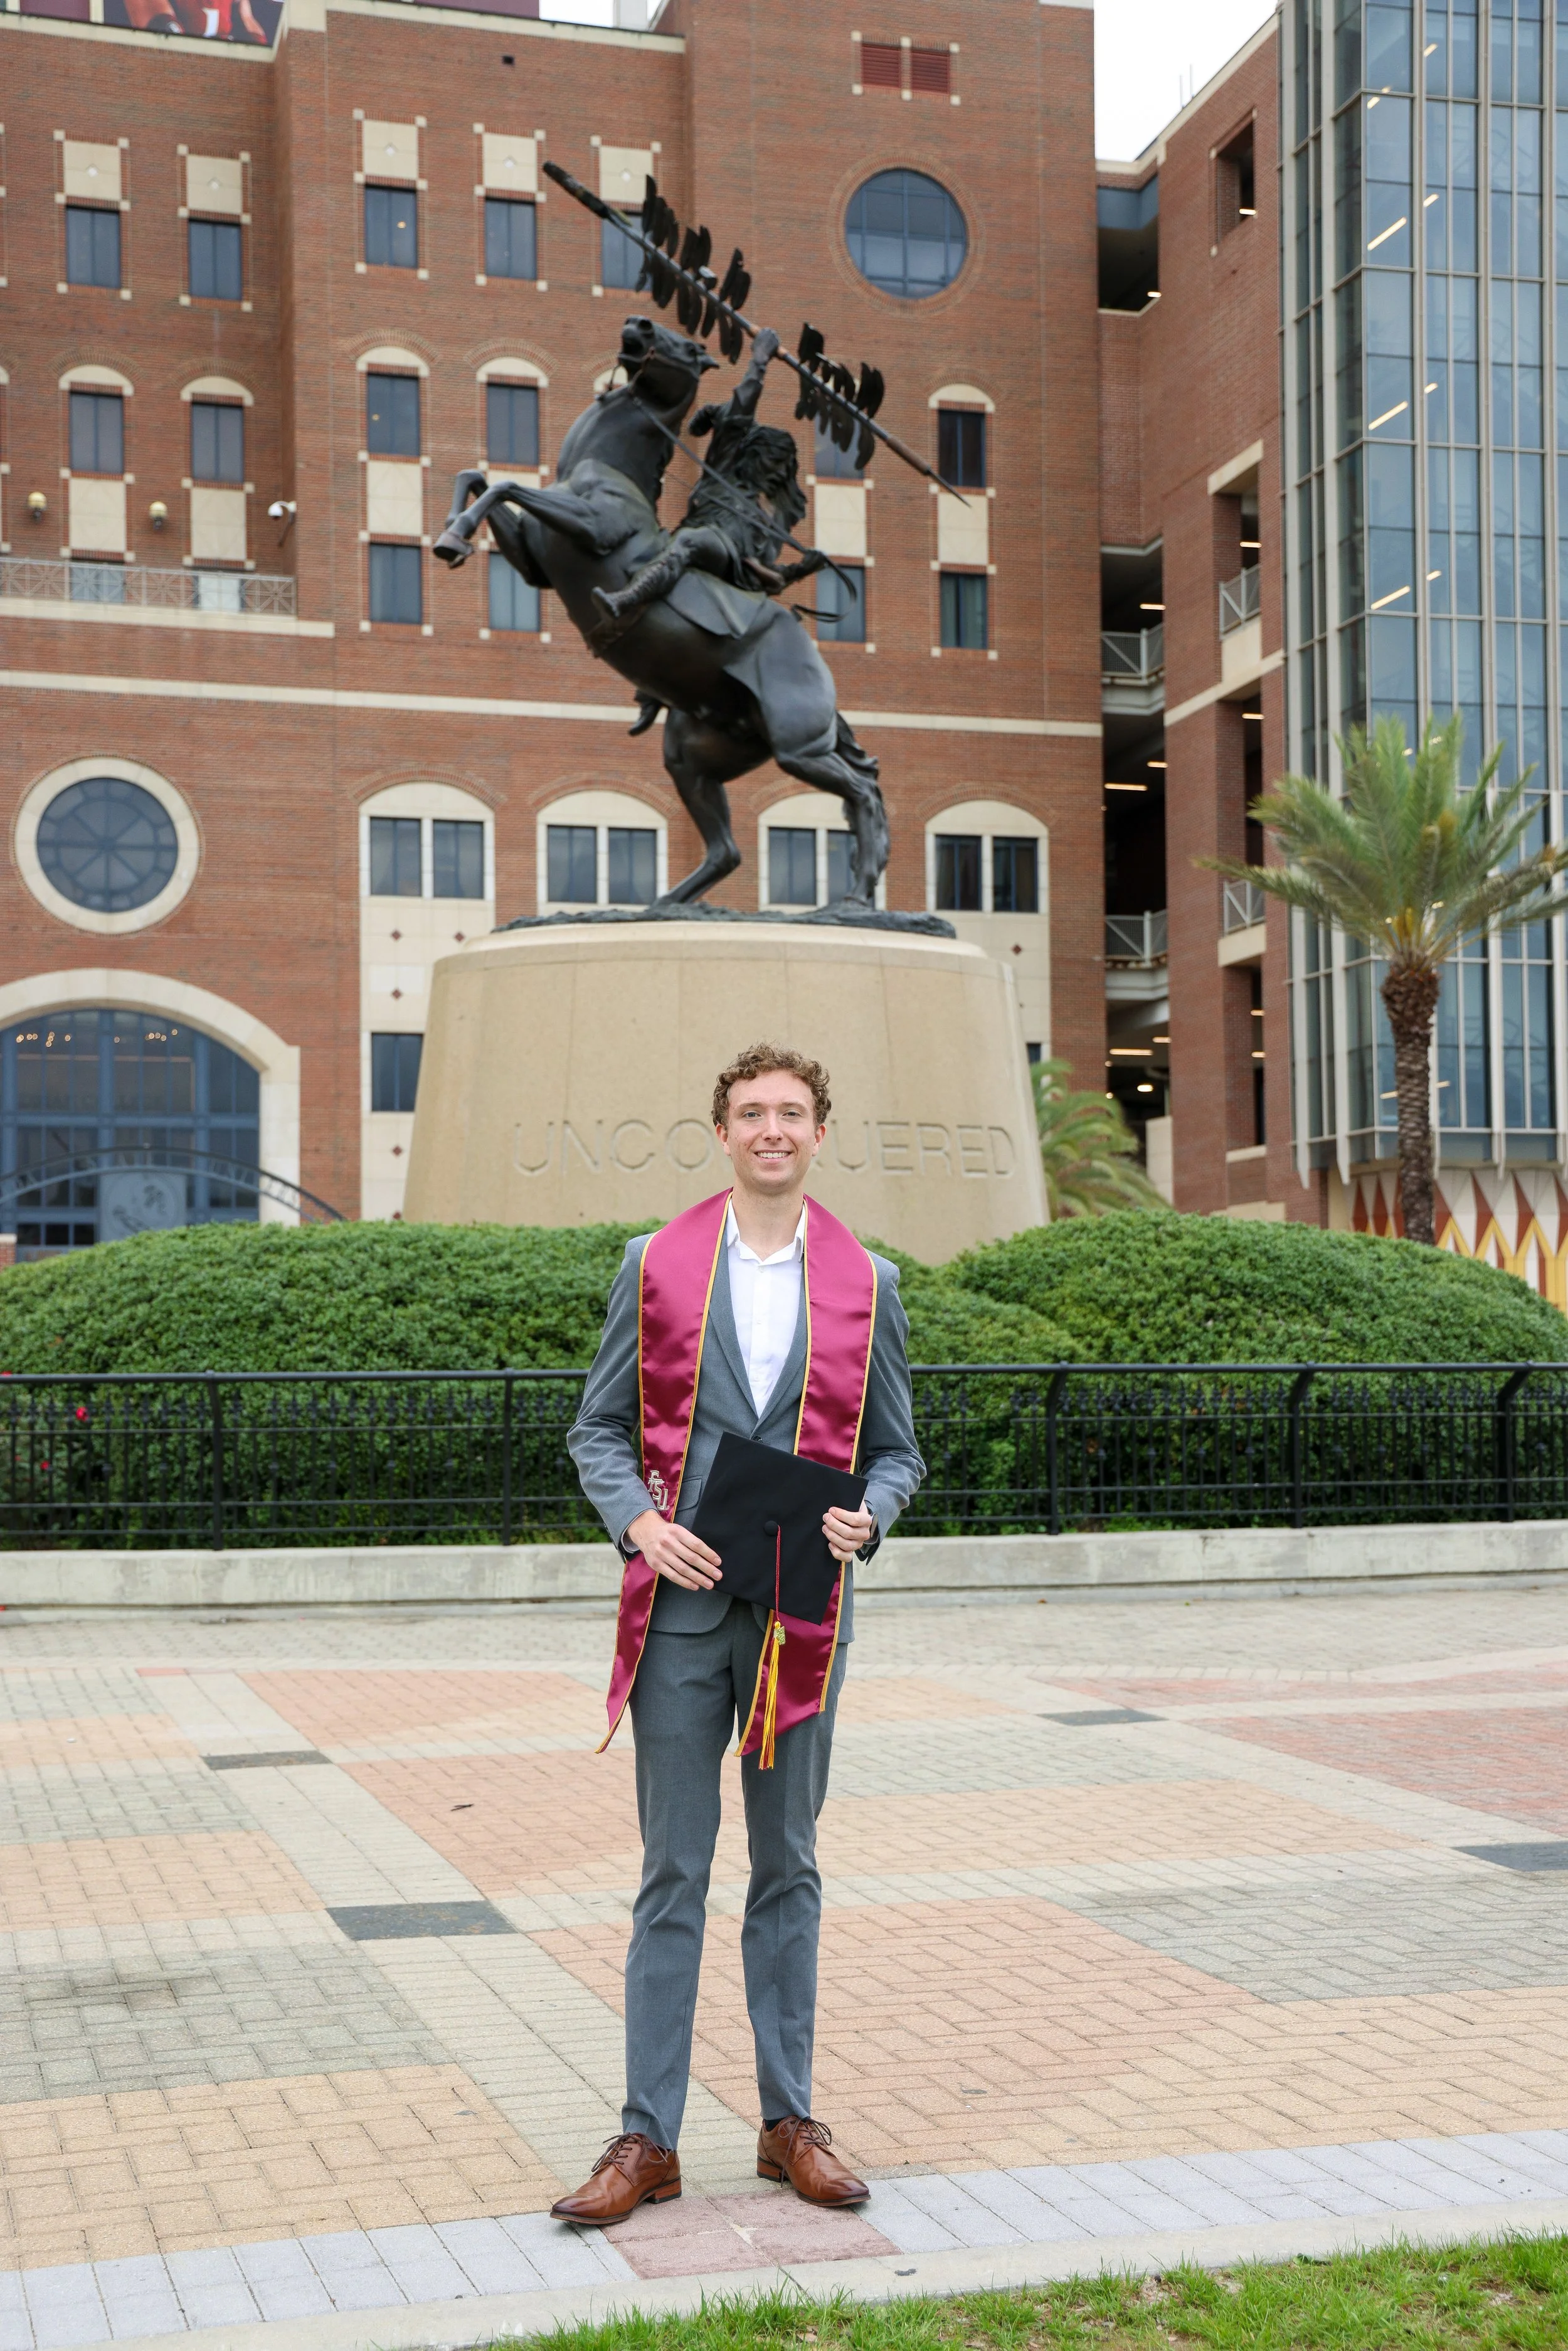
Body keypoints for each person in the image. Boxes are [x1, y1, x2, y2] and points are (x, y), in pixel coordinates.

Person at [555, 1043, 924, 2225]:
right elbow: (598, 1430)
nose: (773, 1129)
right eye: (753, 1112)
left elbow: (900, 1451)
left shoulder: (870, 1281)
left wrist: (877, 1514)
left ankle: (787, 2123)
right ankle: (645, 2137)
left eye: (794, 1113)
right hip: (683, 1618)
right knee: (673, 1872)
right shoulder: (655, 1266)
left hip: (800, 1621)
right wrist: (639, 1527)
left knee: (791, 1868)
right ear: (722, 1132)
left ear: (822, 1134)